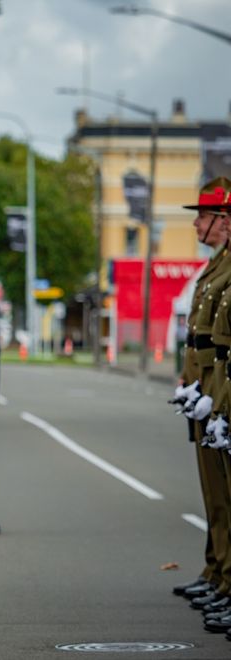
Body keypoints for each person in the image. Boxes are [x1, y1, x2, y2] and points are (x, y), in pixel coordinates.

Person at [166, 178, 231, 626]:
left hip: (219, 390)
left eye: (203, 216)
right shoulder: (216, 266)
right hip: (209, 389)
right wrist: (192, 383)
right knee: (215, 492)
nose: (196, 224)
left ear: (222, 221)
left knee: (225, 494)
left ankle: (226, 578)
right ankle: (219, 572)